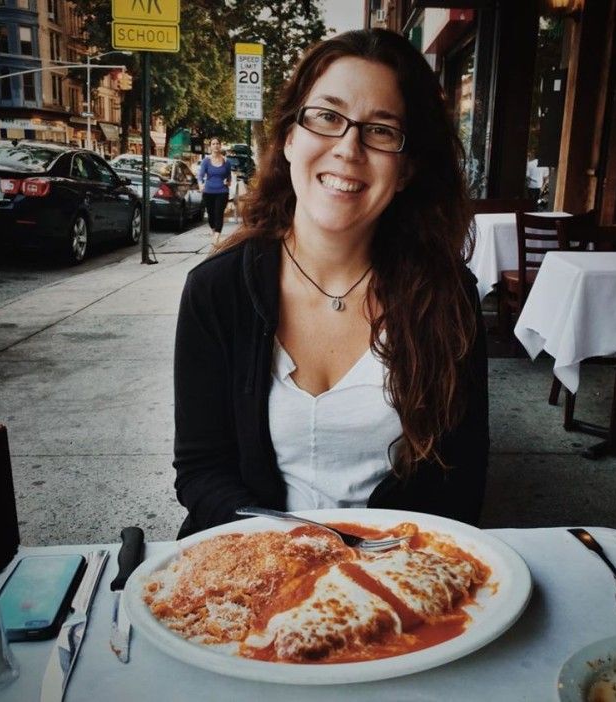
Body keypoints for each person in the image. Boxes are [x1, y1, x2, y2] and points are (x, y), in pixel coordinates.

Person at [173, 29, 489, 539]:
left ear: (406, 168)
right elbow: (202, 471)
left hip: (395, 572)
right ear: (291, 137)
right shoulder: (216, 289)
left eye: (381, 130)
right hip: (252, 564)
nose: (348, 148)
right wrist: (301, 550)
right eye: (327, 117)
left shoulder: (449, 298)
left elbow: (461, 484)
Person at [197, 137, 232, 242]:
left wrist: (228, 182)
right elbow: (200, 176)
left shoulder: (226, 161)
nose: (215, 145)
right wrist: (200, 185)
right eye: (213, 144)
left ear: (220, 146)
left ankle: (217, 236)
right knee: (211, 214)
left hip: (222, 191)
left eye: (217, 143)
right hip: (208, 192)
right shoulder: (206, 161)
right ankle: (214, 231)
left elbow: (229, 176)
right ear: (210, 146)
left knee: (219, 213)